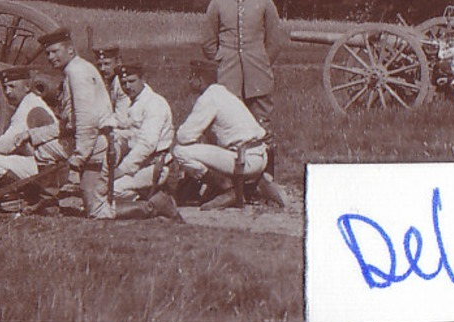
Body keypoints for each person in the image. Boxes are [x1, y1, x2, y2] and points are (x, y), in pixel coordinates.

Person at [174, 60, 283, 209]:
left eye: (190, 77)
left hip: (245, 160)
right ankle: (254, 185)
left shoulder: (208, 98)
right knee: (205, 147)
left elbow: (184, 136)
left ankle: (227, 189)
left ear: (199, 79)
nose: (189, 81)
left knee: (180, 151)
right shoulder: (224, 94)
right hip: (260, 155)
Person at [202, 0, 285, 129]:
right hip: (228, 77)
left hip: (258, 77)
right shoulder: (218, 2)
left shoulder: (263, 0)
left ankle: (266, 157)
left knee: (262, 127)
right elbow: (208, 42)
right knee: (231, 126)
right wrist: (222, 61)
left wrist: (261, 61)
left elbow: (274, 41)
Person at [40, 26, 116, 219]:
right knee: (43, 150)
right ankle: (50, 203)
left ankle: (150, 207)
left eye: (55, 51)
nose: (50, 57)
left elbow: (86, 120)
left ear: (70, 50)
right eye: (48, 53)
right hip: (89, 140)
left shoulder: (78, 73)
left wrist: (78, 159)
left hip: (95, 144)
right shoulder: (74, 70)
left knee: (96, 208)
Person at [0, 65, 66, 191]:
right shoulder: (34, 101)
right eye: (5, 87)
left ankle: (22, 191)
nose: (7, 92)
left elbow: (10, 142)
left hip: (47, 171)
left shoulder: (28, 106)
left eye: (12, 86)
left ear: (27, 87)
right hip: (53, 167)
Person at [109, 63, 181, 220]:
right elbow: (132, 131)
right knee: (103, 188)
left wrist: (122, 170)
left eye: (132, 81)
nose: (127, 86)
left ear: (143, 79)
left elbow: (147, 144)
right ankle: (149, 196)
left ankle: (156, 203)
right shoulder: (136, 101)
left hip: (155, 165)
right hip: (142, 163)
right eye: (123, 83)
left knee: (109, 190)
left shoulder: (154, 104)